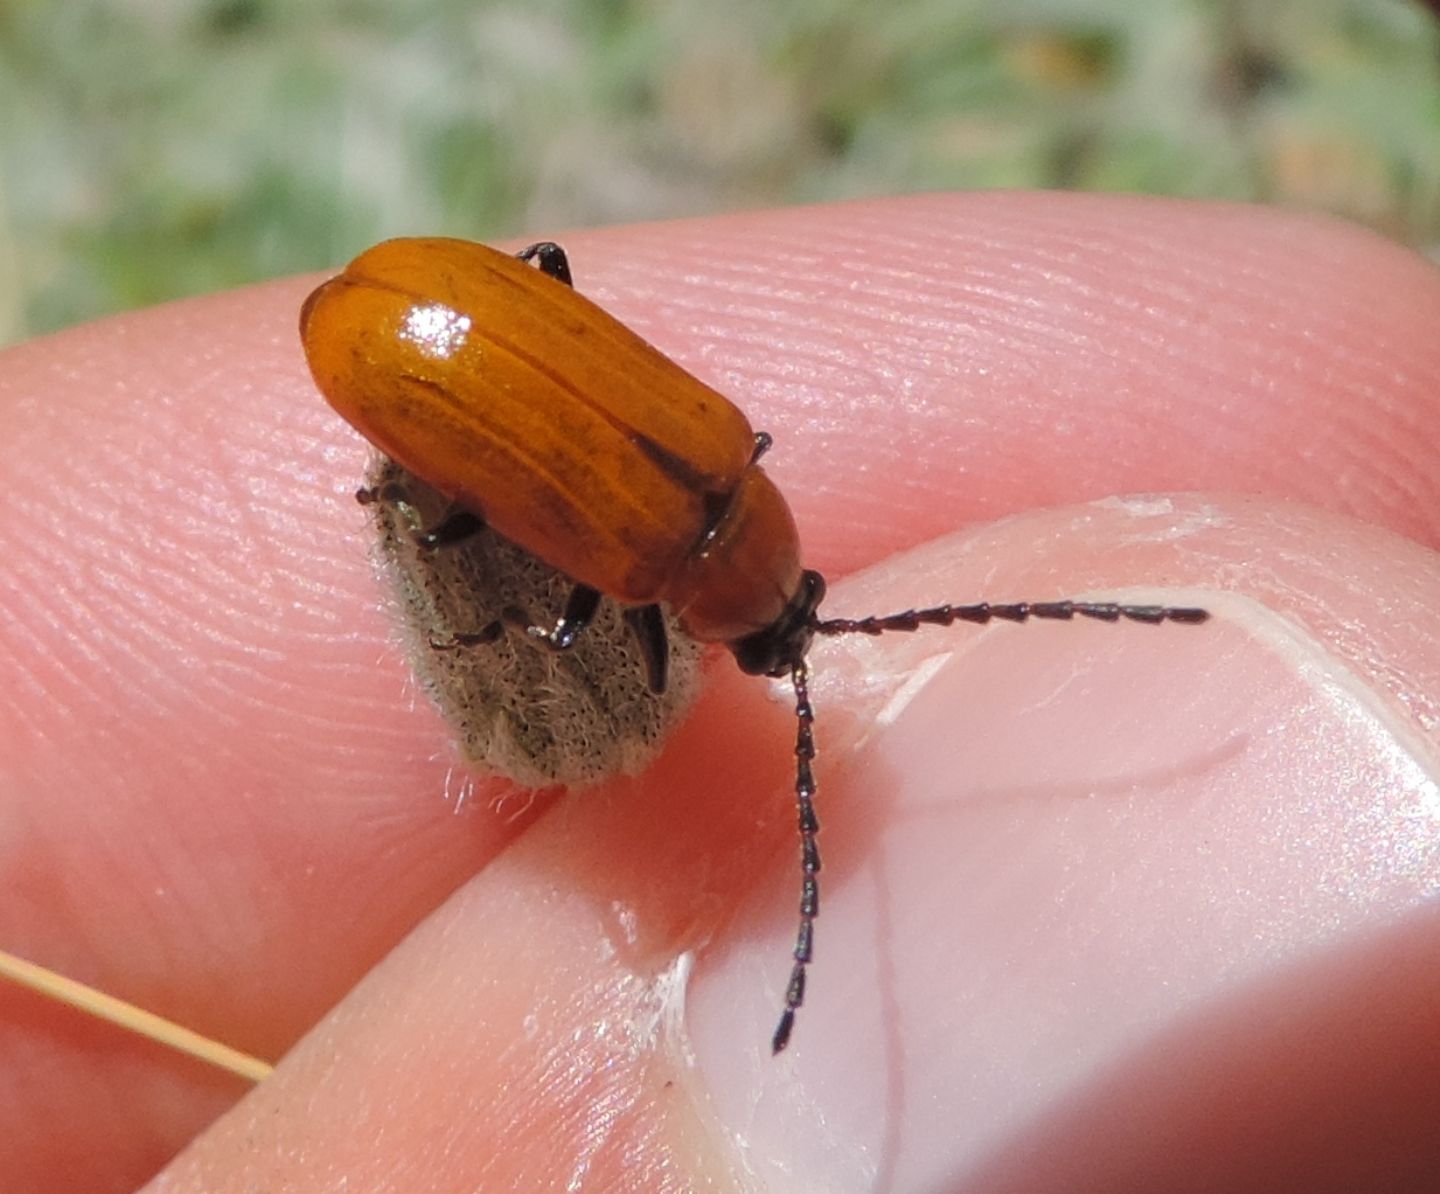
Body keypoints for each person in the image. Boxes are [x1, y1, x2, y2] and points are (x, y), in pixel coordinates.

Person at [5, 193, 1440, 1192]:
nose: (772, 652)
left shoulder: (717, 454)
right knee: (489, 548)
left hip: (429, 308)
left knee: (511, 386)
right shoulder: (630, 561)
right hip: (398, 342)